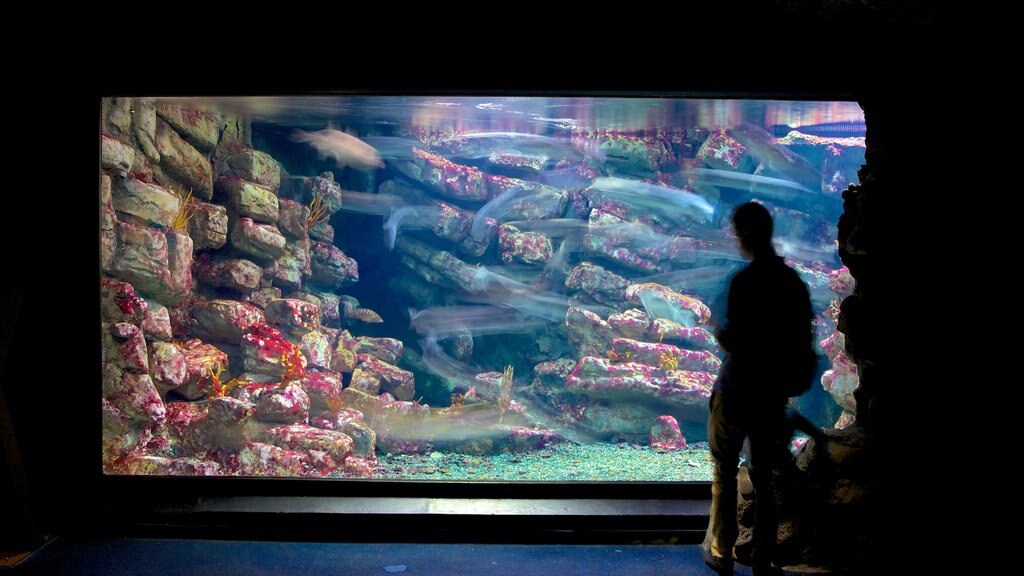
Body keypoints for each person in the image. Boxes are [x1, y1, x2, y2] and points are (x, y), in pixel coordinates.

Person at [702, 202, 814, 576]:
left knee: (724, 471)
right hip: (770, 394)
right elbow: (801, 341)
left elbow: (735, 338)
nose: (735, 240)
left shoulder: (744, 282)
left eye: (736, 233)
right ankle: (763, 558)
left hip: (736, 389)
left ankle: (721, 551)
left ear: (746, 234)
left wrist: (718, 330)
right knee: (764, 476)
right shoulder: (792, 283)